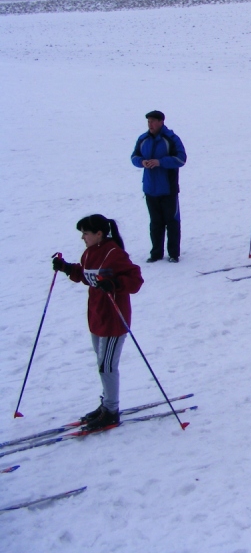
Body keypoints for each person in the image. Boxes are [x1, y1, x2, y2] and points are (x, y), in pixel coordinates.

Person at [51, 215, 144, 432]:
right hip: (96, 317)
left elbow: (136, 280)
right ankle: (106, 404)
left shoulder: (114, 253)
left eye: (85, 233)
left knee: (107, 366)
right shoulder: (90, 253)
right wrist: (65, 267)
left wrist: (115, 283)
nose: (83, 237)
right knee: (102, 365)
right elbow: (86, 276)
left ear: (99, 234)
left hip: (114, 320)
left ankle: (111, 411)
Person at [131, 110, 187, 263]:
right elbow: (134, 157)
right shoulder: (143, 139)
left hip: (168, 189)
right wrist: (142, 162)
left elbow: (181, 159)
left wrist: (160, 162)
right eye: (148, 121)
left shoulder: (171, 139)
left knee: (172, 222)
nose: (150, 124)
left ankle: (174, 254)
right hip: (150, 189)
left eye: (153, 121)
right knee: (155, 223)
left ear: (161, 122)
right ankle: (156, 253)